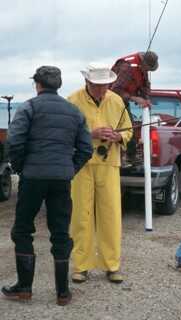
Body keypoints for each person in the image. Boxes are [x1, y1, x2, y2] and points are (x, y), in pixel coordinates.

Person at [1, 66, 93, 306]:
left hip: (33, 177)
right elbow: (86, 149)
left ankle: (24, 288)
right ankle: (62, 293)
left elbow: (14, 140)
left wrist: (22, 168)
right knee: (61, 232)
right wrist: (69, 169)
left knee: (22, 230)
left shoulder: (29, 107)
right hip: (61, 179)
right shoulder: (75, 111)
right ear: (58, 85)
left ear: (37, 84)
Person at [67, 63, 132, 283]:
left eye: (105, 85)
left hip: (109, 164)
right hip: (81, 166)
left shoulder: (116, 100)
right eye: (98, 86)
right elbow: (66, 133)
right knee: (80, 215)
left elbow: (129, 131)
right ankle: (81, 266)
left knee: (110, 216)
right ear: (87, 82)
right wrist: (91, 133)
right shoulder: (73, 101)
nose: (103, 90)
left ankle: (112, 266)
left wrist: (119, 137)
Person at [110, 51, 159, 160]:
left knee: (129, 127)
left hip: (123, 101)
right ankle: (128, 157)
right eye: (147, 69)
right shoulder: (127, 68)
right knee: (128, 128)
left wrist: (146, 99)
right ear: (143, 64)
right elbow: (115, 90)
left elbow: (145, 86)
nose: (147, 72)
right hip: (110, 102)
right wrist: (134, 98)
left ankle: (130, 157)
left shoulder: (142, 68)